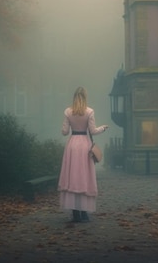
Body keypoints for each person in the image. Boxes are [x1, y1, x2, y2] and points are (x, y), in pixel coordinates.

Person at [58, 86, 108, 222]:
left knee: (72, 177)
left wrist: (66, 125)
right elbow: (93, 131)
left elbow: (64, 132)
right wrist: (103, 128)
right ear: (85, 97)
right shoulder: (90, 111)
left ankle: (75, 213)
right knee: (84, 176)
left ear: (74, 97)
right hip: (85, 145)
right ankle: (84, 213)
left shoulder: (68, 111)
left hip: (72, 145)